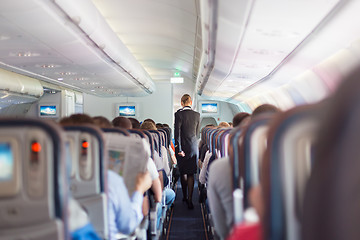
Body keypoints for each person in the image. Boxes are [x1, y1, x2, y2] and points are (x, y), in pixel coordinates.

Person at [174, 94, 200, 209]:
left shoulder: (179, 114)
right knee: (191, 173)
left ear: (182, 103)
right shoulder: (197, 115)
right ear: (190, 102)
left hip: (183, 147)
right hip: (194, 147)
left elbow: (177, 133)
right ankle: (190, 198)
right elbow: (197, 132)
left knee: (183, 172)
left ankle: (184, 196)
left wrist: (179, 149)